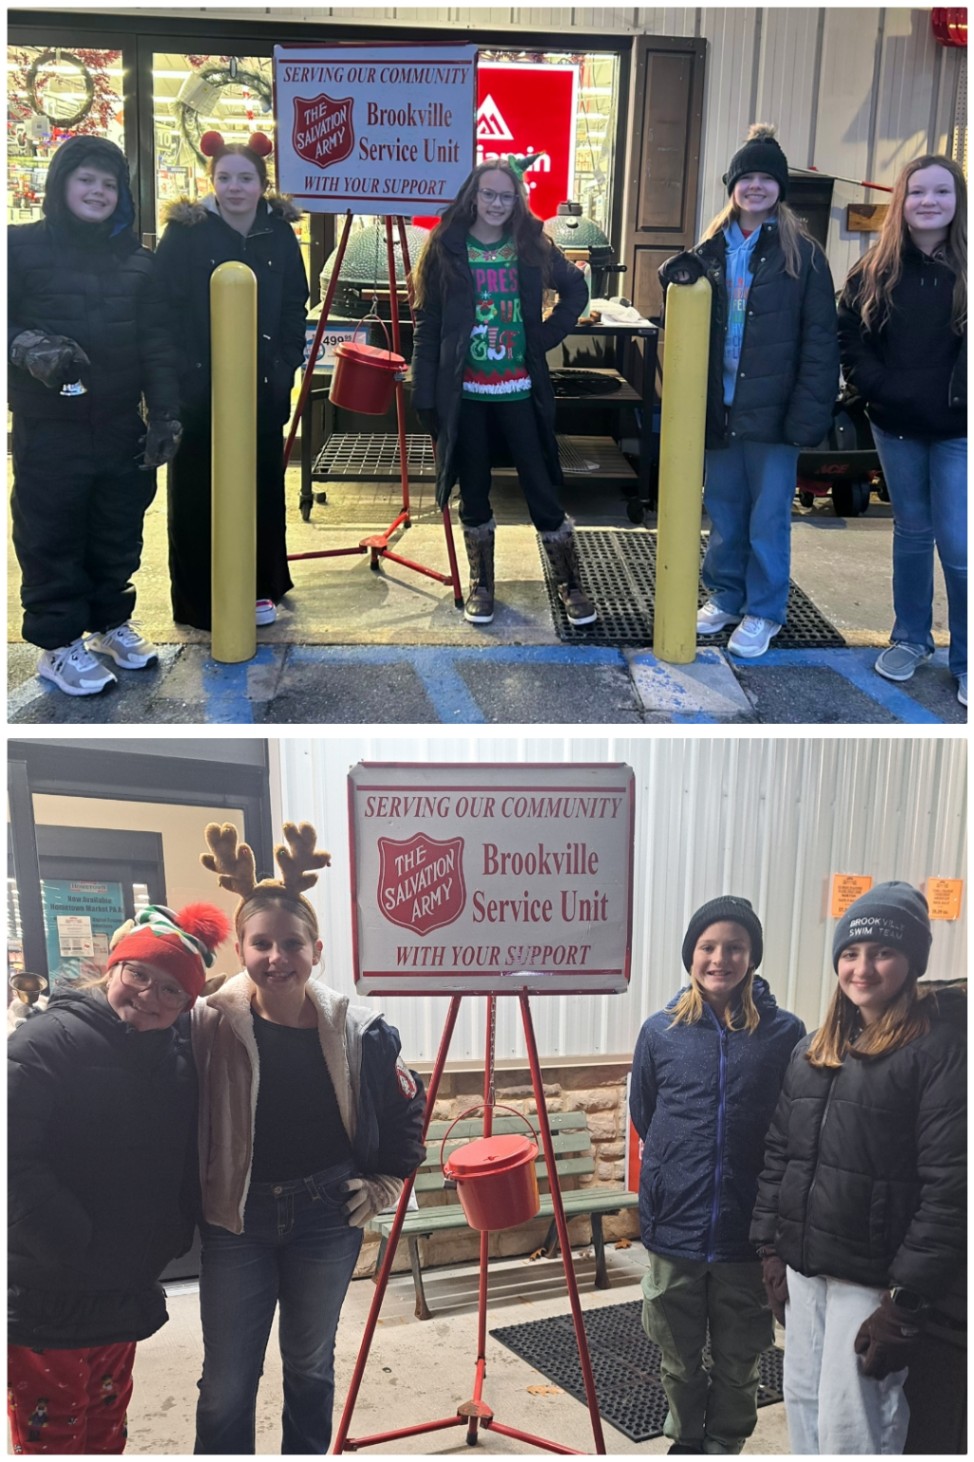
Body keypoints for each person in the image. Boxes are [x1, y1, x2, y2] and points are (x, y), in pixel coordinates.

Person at [190, 822, 426, 1454]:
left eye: (291, 943)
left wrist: (385, 1181)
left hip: (327, 1214)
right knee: (227, 1381)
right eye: (261, 943)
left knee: (310, 1365)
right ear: (240, 948)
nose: (277, 958)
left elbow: (407, 1105)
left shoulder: (361, 1030)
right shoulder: (207, 1023)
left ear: (316, 950)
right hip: (237, 1218)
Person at [751, 882, 964, 1454]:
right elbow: (780, 1155)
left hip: (870, 1283)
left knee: (855, 1425)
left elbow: (949, 1185)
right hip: (804, 1272)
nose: (862, 967)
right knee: (803, 1406)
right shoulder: (812, 1050)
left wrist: (907, 1300)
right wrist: (769, 1250)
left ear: (912, 962)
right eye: (851, 953)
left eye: (882, 953)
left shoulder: (937, 1050)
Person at [8, 903, 227, 1454]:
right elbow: (13, 1157)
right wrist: (63, 1235)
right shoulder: (41, 1044)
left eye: (172, 990)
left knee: (107, 1418)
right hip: (49, 1284)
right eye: (139, 975)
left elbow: (179, 1155)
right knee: (53, 1429)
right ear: (114, 968)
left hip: (122, 1280)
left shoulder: (178, 1060)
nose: (150, 996)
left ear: (188, 1003)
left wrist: (172, 1229)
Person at [630, 896, 806, 1455]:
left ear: (752, 955)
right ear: (691, 954)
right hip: (675, 1226)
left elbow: (791, 1122)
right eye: (708, 947)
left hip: (745, 1231)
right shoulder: (661, 1032)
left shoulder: (783, 1034)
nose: (720, 958)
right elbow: (645, 1112)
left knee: (740, 1357)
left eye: (734, 947)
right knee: (677, 1356)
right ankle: (685, 1439)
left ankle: (726, 1441)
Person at [8, 133, 180, 696]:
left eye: (109, 183)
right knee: (51, 532)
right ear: (61, 184)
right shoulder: (19, 247)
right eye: (86, 179)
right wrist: (28, 347)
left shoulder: (139, 261)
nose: (98, 191)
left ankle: (110, 623)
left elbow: (158, 343)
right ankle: (57, 647)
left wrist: (165, 417)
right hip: (49, 427)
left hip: (117, 423)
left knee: (116, 531)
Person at [661, 124, 840, 661]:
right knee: (724, 509)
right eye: (747, 178)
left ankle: (764, 610)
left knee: (768, 519)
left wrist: (808, 414)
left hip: (774, 413)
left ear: (780, 188)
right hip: (719, 407)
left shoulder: (804, 256)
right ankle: (728, 597)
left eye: (767, 178)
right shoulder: (710, 250)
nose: (756, 187)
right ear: (732, 186)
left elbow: (820, 341)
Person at [410, 159, 595, 629]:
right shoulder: (445, 247)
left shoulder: (531, 245)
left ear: (518, 200)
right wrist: (423, 386)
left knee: (540, 489)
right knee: (473, 491)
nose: (496, 204)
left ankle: (570, 582)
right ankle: (483, 584)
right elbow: (428, 324)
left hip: (519, 391)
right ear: (473, 195)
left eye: (505, 196)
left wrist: (543, 336)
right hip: (466, 393)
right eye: (488, 194)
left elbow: (576, 290)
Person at [153, 132, 307, 632]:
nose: (235, 187)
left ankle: (260, 585)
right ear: (210, 180)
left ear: (263, 183)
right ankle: (200, 597)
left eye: (245, 178)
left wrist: (283, 368)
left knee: (260, 484)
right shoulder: (186, 234)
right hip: (199, 388)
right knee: (197, 488)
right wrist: (180, 376)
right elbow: (166, 309)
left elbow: (292, 307)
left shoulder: (278, 234)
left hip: (262, 386)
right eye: (225, 178)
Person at [836, 154, 969, 706]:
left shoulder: (971, 268)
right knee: (911, 534)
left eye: (941, 191)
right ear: (902, 201)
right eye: (917, 192)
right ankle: (911, 638)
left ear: (958, 200)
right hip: (896, 427)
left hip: (959, 430)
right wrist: (878, 387)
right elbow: (849, 335)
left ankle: (966, 658)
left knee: (958, 544)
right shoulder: (875, 269)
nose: (929, 202)